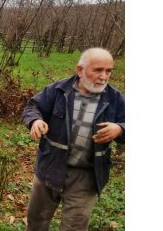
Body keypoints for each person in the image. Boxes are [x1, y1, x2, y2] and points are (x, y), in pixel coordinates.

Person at [21, 47, 125, 231]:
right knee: (36, 222)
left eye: (108, 71)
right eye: (98, 70)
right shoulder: (59, 90)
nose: (104, 76)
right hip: (49, 167)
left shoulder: (115, 98)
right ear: (80, 70)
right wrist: (35, 120)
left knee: (74, 227)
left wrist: (120, 129)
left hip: (86, 176)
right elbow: (33, 107)